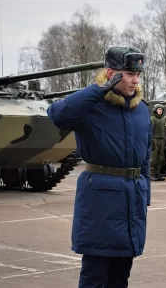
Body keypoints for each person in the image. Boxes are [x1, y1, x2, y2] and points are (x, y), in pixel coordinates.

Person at [47, 46, 151, 288]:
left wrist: (145, 194)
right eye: (128, 74)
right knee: (95, 276)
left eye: (138, 75)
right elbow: (57, 115)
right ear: (111, 73)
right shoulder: (91, 106)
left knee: (121, 276)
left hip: (132, 200)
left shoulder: (141, 109)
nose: (135, 80)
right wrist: (97, 89)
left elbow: (146, 156)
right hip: (100, 201)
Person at [150, 104, 166, 181]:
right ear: (155, 110)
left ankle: (157, 173)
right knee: (153, 158)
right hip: (155, 140)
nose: (160, 111)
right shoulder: (153, 119)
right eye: (158, 109)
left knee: (160, 158)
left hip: (161, 140)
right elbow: (150, 131)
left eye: (161, 110)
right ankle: (151, 174)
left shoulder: (163, 120)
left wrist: (164, 139)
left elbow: (164, 130)